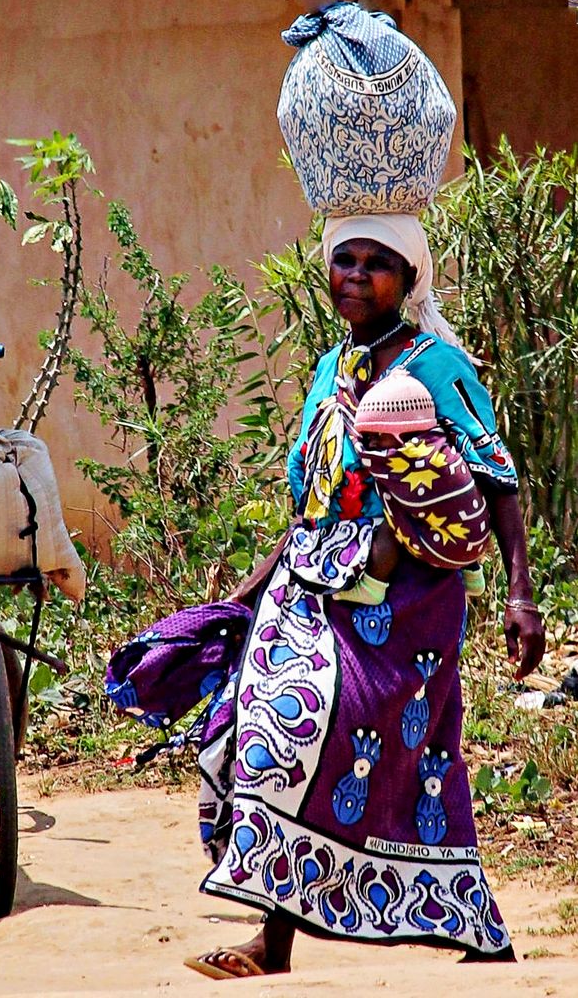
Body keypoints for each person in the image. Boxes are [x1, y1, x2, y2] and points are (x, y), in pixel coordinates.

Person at [185, 213, 545, 979]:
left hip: (405, 603)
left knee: (399, 759)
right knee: (267, 739)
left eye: (374, 262)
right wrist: (250, 591)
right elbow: (310, 499)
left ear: (408, 280)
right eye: (342, 260)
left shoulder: (437, 367)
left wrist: (521, 597)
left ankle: (473, 927)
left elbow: (497, 480)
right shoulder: (327, 369)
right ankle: (273, 943)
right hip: (312, 585)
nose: (353, 274)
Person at [336, 369, 489, 606]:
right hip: (476, 542)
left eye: (378, 435)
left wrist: (345, 402)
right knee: (450, 503)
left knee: (394, 516)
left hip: (446, 549)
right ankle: (473, 573)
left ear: (401, 433)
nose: (373, 442)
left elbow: (362, 451)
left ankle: (373, 586)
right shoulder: (440, 440)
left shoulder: (407, 457)